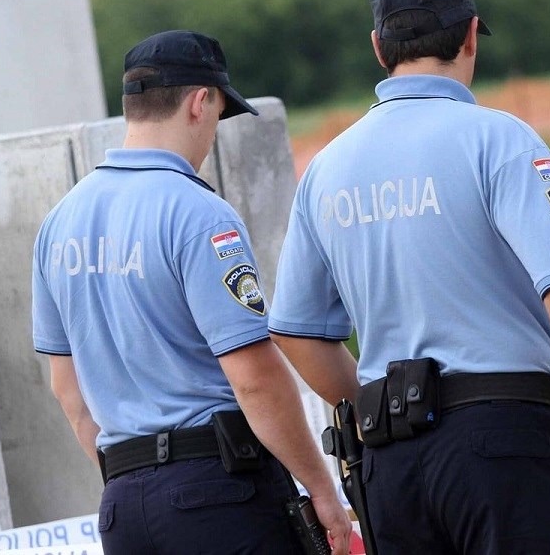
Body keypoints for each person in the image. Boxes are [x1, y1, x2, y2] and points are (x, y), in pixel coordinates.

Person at [270, 0, 550, 554]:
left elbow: (296, 331)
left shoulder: (326, 168)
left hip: (394, 466)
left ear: (378, 46)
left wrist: (370, 407)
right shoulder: (500, 139)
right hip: (511, 448)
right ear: (470, 35)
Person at [31, 30, 351, 555]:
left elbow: (68, 392)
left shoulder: (59, 223)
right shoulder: (199, 214)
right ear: (201, 102)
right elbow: (254, 380)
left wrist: (137, 478)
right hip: (219, 498)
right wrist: (321, 488)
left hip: (123, 508)